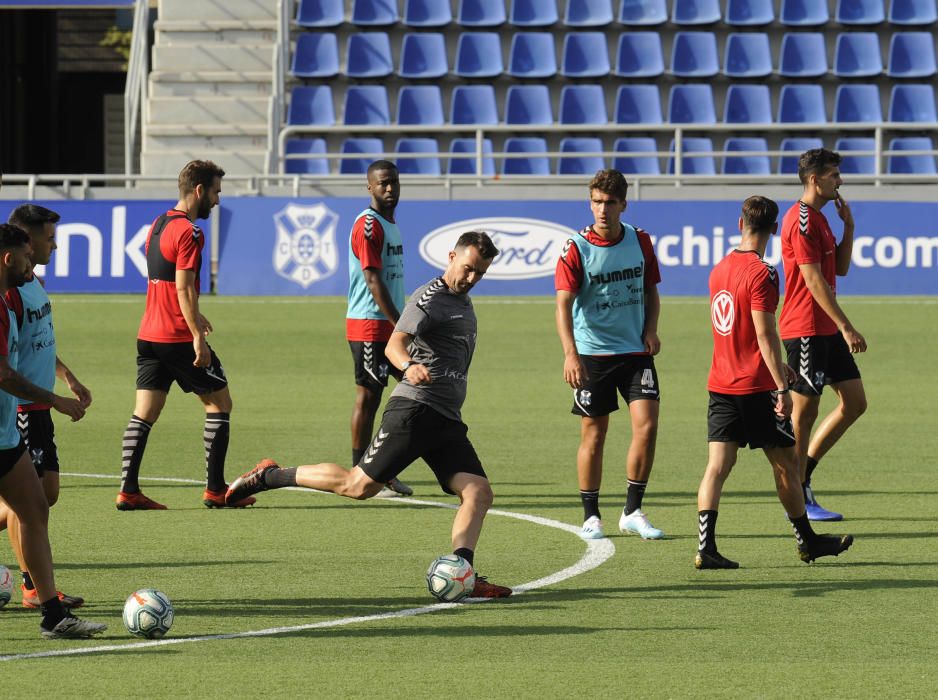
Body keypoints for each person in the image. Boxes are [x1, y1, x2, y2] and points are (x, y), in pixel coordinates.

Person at [226, 232, 512, 598]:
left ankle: (464, 572)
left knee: (478, 492)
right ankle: (271, 476)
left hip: (446, 419)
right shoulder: (428, 299)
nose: (471, 278)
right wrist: (408, 366)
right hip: (415, 411)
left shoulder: (463, 302)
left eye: (480, 274)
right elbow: (395, 343)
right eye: (468, 268)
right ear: (452, 255)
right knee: (357, 486)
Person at [696, 196, 854, 569]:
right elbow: (764, 335)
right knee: (785, 464)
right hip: (754, 386)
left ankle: (706, 547)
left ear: (740, 224)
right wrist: (780, 386)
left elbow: (732, 331)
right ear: (772, 230)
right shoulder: (763, 272)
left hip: (721, 382)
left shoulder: (718, 269)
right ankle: (807, 541)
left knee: (717, 466)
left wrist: (782, 367)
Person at [115, 160, 255, 510]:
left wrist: (195, 313)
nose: (217, 200)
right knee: (220, 403)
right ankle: (215, 489)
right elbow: (183, 287)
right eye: (215, 192)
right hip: (176, 337)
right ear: (199, 191)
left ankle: (128, 490)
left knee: (145, 411)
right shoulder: (191, 232)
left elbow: (163, 283)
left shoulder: (158, 224)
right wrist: (197, 335)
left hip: (148, 334)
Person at [0, 223, 106, 637]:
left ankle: (52, 614)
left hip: (6, 435)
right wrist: (55, 399)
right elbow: (4, 374)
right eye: (27, 256)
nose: (34, 264)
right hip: (9, 428)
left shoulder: (9, 304)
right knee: (33, 508)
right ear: (10, 258)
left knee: (36, 508)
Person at [555, 169, 664, 541]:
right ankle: (591, 515)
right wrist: (570, 354)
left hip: (635, 352)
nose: (602, 210)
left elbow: (650, 290)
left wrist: (650, 329)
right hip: (593, 354)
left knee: (647, 428)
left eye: (610, 203)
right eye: (597, 202)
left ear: (623, 204)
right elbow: (562, 305)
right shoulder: (576, 248)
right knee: (595, 434)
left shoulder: (640, 241)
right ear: (591, 202)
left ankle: (632, 510)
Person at [778, 149, 868, 521]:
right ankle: (796, 496)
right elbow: (813, 281)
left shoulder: (821, 219)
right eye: (834, 175)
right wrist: (847, 326)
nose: (840, 181)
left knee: (855, 402)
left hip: (824, 328)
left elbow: (841, 269)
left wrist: (849, 227)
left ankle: (804, 476)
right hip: (805, 329)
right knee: (804, 412)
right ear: (814, 179)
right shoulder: (800, 220)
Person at [346, 160, 411, 497]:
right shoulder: (369, 226)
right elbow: (373, 280)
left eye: (394, 183)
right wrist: (400, 322)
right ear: (369, 186)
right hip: (371, 325)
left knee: (414, 392)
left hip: (389, 326)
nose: (389, 189)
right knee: (369, 398)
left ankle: (383, 468)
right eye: (383, 183)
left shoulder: (390, 224)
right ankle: (362, 470)